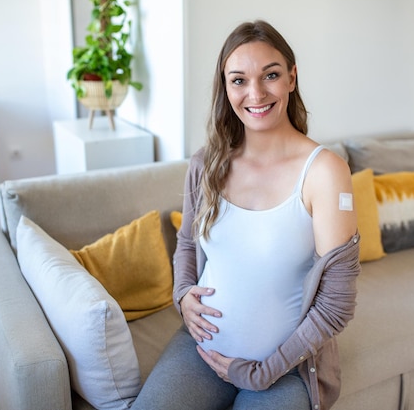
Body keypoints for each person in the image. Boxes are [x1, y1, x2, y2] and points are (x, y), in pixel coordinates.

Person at [131, 20, 361, 410]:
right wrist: (182, 294)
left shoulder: (325, 172)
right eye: (239, 80)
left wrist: (262, 371)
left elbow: (336, 304)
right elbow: (187, 241)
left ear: (291, 77)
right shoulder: (206, 163)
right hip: (200, 349)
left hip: (284, 370)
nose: (255, 93)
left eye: (270, 75)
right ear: (225, 87)